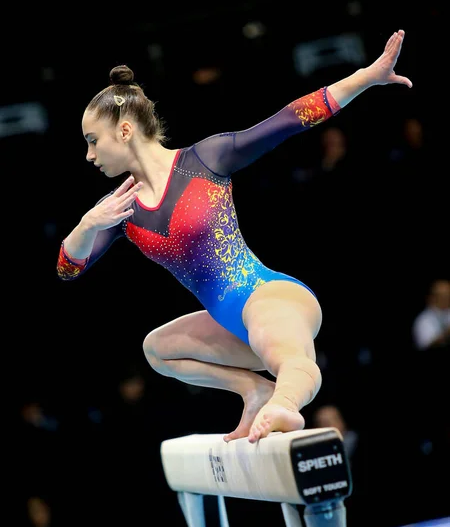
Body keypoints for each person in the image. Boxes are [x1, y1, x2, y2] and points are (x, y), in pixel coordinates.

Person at [57, 30, 412, 444]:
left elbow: (289, 119)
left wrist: (366, 77)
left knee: (290, 360)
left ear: (123, 131)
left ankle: (284, 404)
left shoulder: (204, 160)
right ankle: (253, 390)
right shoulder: (118, 210)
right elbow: (68, 269)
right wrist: (87, 224)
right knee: (157, 350)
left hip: (268, 296)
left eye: (92, 140)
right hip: (229, 325)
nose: (89, 155)